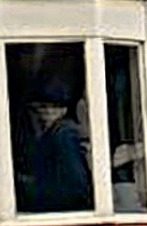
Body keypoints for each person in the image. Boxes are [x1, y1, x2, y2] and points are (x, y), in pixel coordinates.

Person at [16, 79, 92, 213]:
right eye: (40, 108)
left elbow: (76, 187)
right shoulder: (50, 135)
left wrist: (25, 185)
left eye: (53, 107)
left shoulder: (63, 135)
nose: (46, 113)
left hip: (65, 212)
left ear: (64, 109)